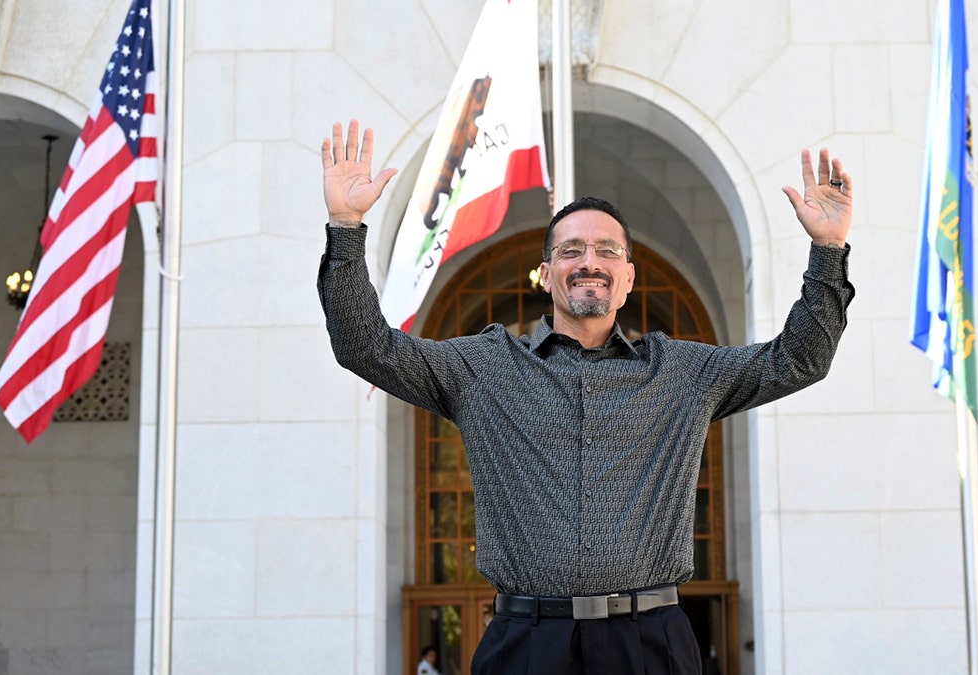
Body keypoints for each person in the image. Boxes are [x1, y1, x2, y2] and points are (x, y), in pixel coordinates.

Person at [318, 120, 855, 674]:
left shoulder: (683, 372)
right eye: (571, 251)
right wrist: (345, 226)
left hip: (651, 645)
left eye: (606, 251)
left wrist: (828, 250)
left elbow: (799, 358)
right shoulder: (481, 367)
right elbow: (366, 348)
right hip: (525, 645)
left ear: (627, 278)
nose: (589, 262)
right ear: (547, 275)